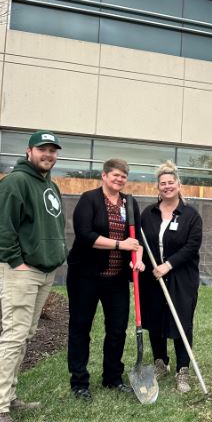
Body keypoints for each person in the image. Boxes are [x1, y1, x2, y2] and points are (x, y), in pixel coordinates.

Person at [0, 130, 67, 422]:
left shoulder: (50, 186)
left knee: (25, 334)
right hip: (21, 270)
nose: (48, 154)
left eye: (53, 150)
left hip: (43, 271)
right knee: (14, 335)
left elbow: (53, 225)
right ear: (29, 151)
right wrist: (17, 262)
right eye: (42, 149)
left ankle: (9, 396)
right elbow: (2, 229)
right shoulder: (15, 182)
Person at [66, 159, 143, 400]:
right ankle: (79, 382)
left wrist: (138, 258)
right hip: (85, 277)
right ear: (104, 176)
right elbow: (85, 235)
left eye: (123, 176)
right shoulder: (89, 199)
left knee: (117, 330)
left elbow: (136, 239)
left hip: (116, 280)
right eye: (115, 175)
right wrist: (120, 244)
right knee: (81, 328)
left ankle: (112, 377)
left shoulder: (129, 203)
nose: (119, 180)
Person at [140, 161, 202, 394]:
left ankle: (183, 369)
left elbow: (192, 245)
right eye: (162, 183)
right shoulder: (149, 213)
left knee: (182, 322)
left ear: (179, 184)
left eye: (171, 182)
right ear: (157, 187)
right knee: (156, 319)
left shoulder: (190, 215)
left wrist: (169, 265)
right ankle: (160, 362)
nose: (167, 187)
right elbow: (139, 241)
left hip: (181, 277)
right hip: (153, 278)